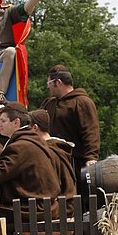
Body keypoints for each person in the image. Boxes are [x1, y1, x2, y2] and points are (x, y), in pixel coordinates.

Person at [40, 64, 100, 201]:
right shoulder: (49, 103)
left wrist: (91, 158)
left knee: (80, 200)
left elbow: (91, 132)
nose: (47, 87)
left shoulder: (82, 102)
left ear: (58, 82)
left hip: (76, 162)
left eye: (49, 83)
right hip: (53, 162)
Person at [0, 102, 61, 222]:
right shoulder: (31, 139)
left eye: (3, 121)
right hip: (45, 206)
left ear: (16, 122)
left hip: (34, 209)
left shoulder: (20, 146)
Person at [29, 109, 77, 216]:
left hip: (61, 208)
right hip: (66, 204)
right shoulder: (57, 147)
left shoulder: (48, 151)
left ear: (35, 128)